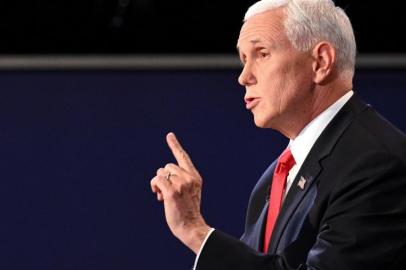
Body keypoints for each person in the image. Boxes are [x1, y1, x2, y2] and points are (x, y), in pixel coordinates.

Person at [150, 0, 406, 269]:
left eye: (261, 54)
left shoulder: (377, 165)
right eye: (243, 60)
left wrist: (196, 232)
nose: (243, 77)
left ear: (320, 62)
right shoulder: (273, 180)